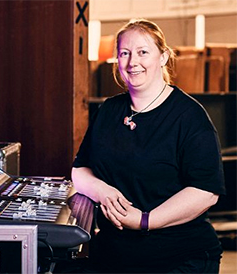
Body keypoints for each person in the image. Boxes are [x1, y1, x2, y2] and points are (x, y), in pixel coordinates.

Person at [72, 19, 226, 273]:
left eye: (143, 52)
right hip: (114, 253)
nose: (133, 62)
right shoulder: (109, 110)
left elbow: (205, 191)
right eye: (125, 53)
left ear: (163, 57)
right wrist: (103, 191)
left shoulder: (189, 116)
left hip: (177, 256)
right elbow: (80, 170)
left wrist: (144, 221)